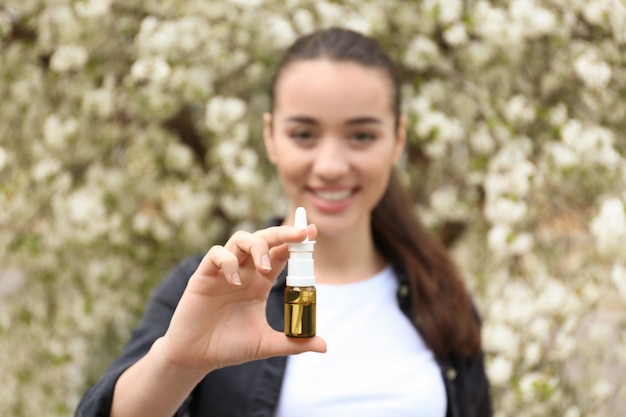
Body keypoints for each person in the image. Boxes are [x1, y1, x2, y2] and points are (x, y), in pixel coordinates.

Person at [75, 27, 492, 417]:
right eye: (304, 135)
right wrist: (178, 362)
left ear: (397, 140)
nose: (330, 166)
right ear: (271, 137)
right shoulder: (210, 290)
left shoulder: (441, 297)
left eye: (361, 136)